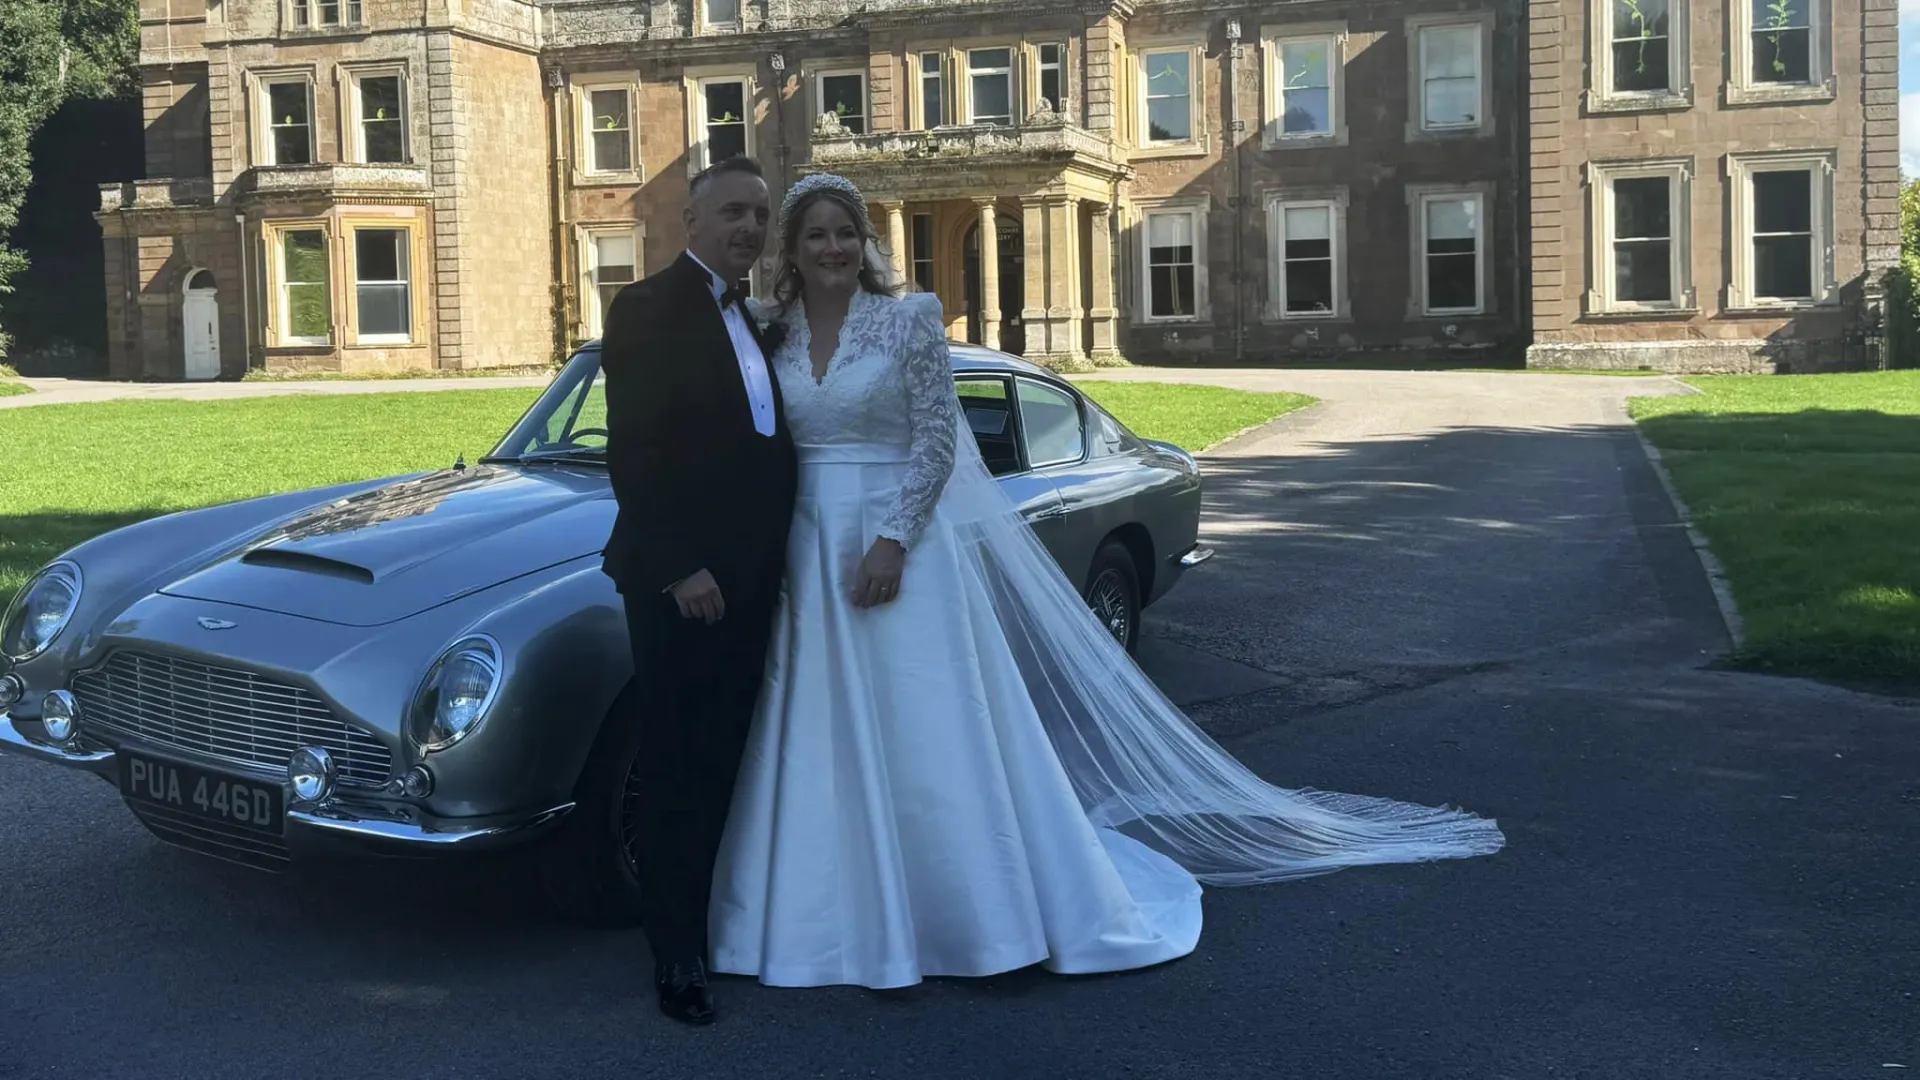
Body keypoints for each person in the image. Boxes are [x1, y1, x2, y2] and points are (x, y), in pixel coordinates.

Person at [701, 172, 1506, 1001]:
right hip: (808, 547)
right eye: (814, 236)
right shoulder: (772, 333)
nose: (832, 248)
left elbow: (939, 445)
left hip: (896, 547)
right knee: (818, 725)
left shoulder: (908, 320)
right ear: (790, 252)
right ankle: (825, 918)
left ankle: (977, 917)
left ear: (863, 242)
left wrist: (892, 541)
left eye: (844, 233)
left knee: (928, 725)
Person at [594, 156, 797, 1026]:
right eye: (733, 215)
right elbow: (635, 451)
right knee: (677, 768)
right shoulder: (647, 307)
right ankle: (675, 956)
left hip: (752, 585)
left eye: (759, 215)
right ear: (692, 220)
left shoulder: (753, 319)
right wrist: (680, 567)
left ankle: (712, 925)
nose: (749, 229)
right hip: (684, 586)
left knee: (723, 764)